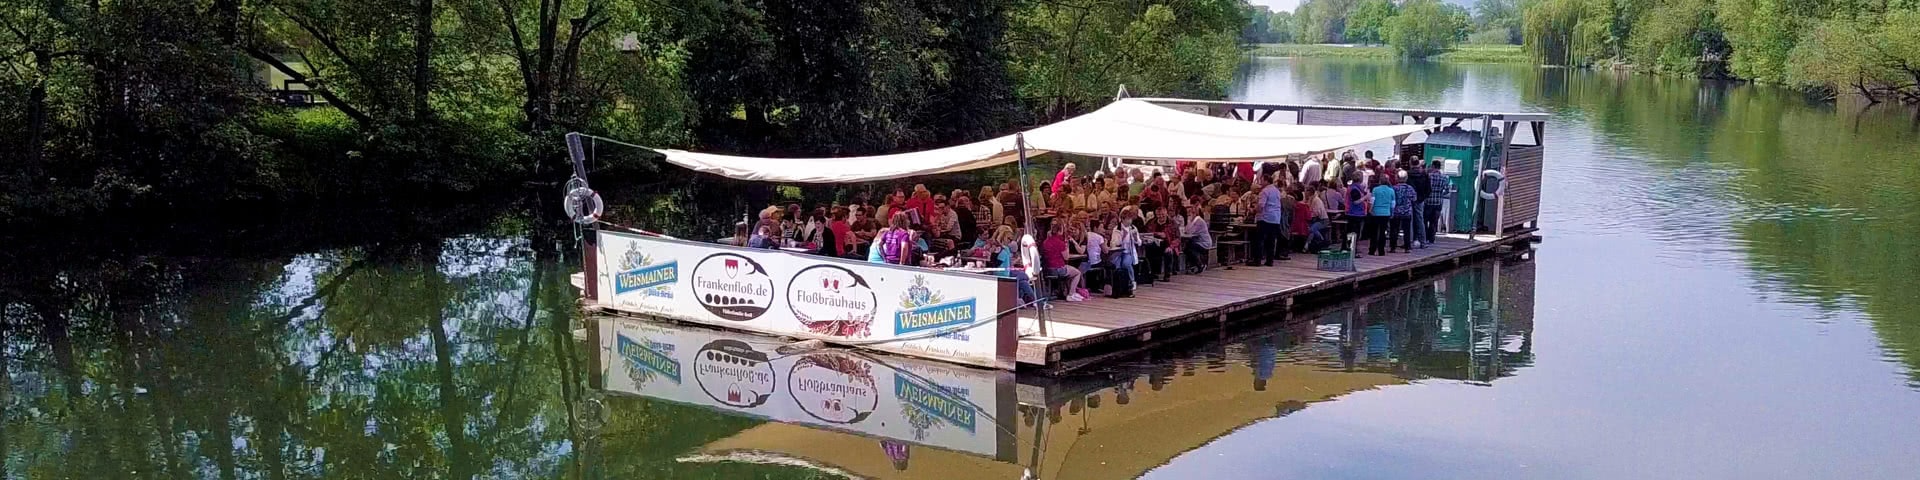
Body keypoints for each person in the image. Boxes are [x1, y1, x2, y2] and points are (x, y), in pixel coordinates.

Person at [1040, 222, 1086, 302]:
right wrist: (1066, 245)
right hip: (1058, 268)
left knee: (1070, 271)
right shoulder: (1060, 243)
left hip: (1047, 268)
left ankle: (1066, 291)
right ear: (1060, 231)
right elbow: (1066, 257)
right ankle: (1071, 294)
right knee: (1077, 273)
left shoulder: (1046, 242)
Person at [1252, 172, 1289, 266]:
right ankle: (1270, 260)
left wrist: (1254, 210)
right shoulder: (1277, 191)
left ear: (1266, 181)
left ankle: (1257, 260)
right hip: (1275, 218)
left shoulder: (1265, 191)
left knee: (1259, 240)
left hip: (1265, 217)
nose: (1260, 182)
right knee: (1271, 240)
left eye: (1261, 180)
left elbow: (1261, 206)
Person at [1108, 206, 1142, 298]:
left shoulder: (1133, 228)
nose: (1130, 221)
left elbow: (1139, 242)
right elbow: (1114, 243)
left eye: (1131, 219)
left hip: (1128, 252)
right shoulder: (1117, 229)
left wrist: (1135, 237)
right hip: (1118, 252)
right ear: (1123, 219)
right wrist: (1123, 237)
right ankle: (1119, 286)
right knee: (1117, 265)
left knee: (1126, 264)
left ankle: (1131, 281)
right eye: (1128, 219)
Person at [1368, 176, 1397, 256]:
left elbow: (1372, 201)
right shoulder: (1391, 190)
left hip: (1376, 212)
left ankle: (1372, 250)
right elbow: (1393, 203)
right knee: (1382, 232)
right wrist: (1392, 212)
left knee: (1374, 232)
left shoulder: (1375, 189)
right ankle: (1381, 251)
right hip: (1386, 212)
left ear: (1380, 181)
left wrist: (1370, 210)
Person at [1181, 204, 1213, 273]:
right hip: (1197, 241)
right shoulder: (1192, 221)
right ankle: (1194, 264)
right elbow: (1186, 230)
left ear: (1194, 213)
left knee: (1189, 247)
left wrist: (1188, 225)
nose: (1188, 214)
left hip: (1204, 243)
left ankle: (1200, 264)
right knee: (1187, 246)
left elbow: (1190, 232)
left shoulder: (1198, 221)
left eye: (1190, 212)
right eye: (1187, 212)